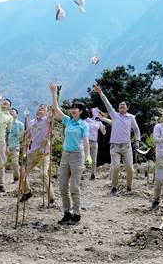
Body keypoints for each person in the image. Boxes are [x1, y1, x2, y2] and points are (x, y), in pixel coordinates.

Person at [49, 81, 92, 225]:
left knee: (74, 187)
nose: (72, 110)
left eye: (76, 109)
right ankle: (66, 213)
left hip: (77, 156)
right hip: (65, 155)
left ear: (81, 111)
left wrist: (88, 156)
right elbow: (55, 108)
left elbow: (86, 140)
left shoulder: (84, 124)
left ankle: (77, 214)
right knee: (62, 186)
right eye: (72, 108)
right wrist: (54, 92)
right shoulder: (68, 121)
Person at [94, 85, 141, 195]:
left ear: (127, 108)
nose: (122, 106)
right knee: (115, 167)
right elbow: (107, 103)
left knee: (129, 168)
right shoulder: (114, 115)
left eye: (124, 105)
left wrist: (137, 141)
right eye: (120, 105)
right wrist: (101, 92)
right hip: (114, 147)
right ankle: (114, 187)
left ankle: (129, 186)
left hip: (127, 147)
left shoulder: (131, 118)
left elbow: (136, 129)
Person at [19, 104, 55, 204]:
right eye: (39, 109)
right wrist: (24, 139)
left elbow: (53, 114)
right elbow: (29, 137)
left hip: (44, 152)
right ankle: (27, 192)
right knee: (22, 172)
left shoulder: (47, 120)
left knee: (43, 174)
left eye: (43, 109)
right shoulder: (31, 122)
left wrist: (54, 95)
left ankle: (51, 197)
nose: (41, 110)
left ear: (46, 112)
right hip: (33, 152)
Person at [84, 108, 106, 180]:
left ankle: (93, 174)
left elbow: (104, 133)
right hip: (85, 141)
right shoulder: (86, 119)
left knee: (94, 159)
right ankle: (81, 174)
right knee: (84, 158)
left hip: (94, 142)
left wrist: (103, 128)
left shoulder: (99, 122)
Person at [7, 108, 25, 183]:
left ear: (16, 114)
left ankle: (16, 178)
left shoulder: (20, 124)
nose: (11, 113)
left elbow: (22, 136)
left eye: (13, 112)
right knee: (2, 163)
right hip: (5, 146)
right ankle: (0, 180)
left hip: (15, 146)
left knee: (15, 162)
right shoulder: (5, 123)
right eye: (10, 112)